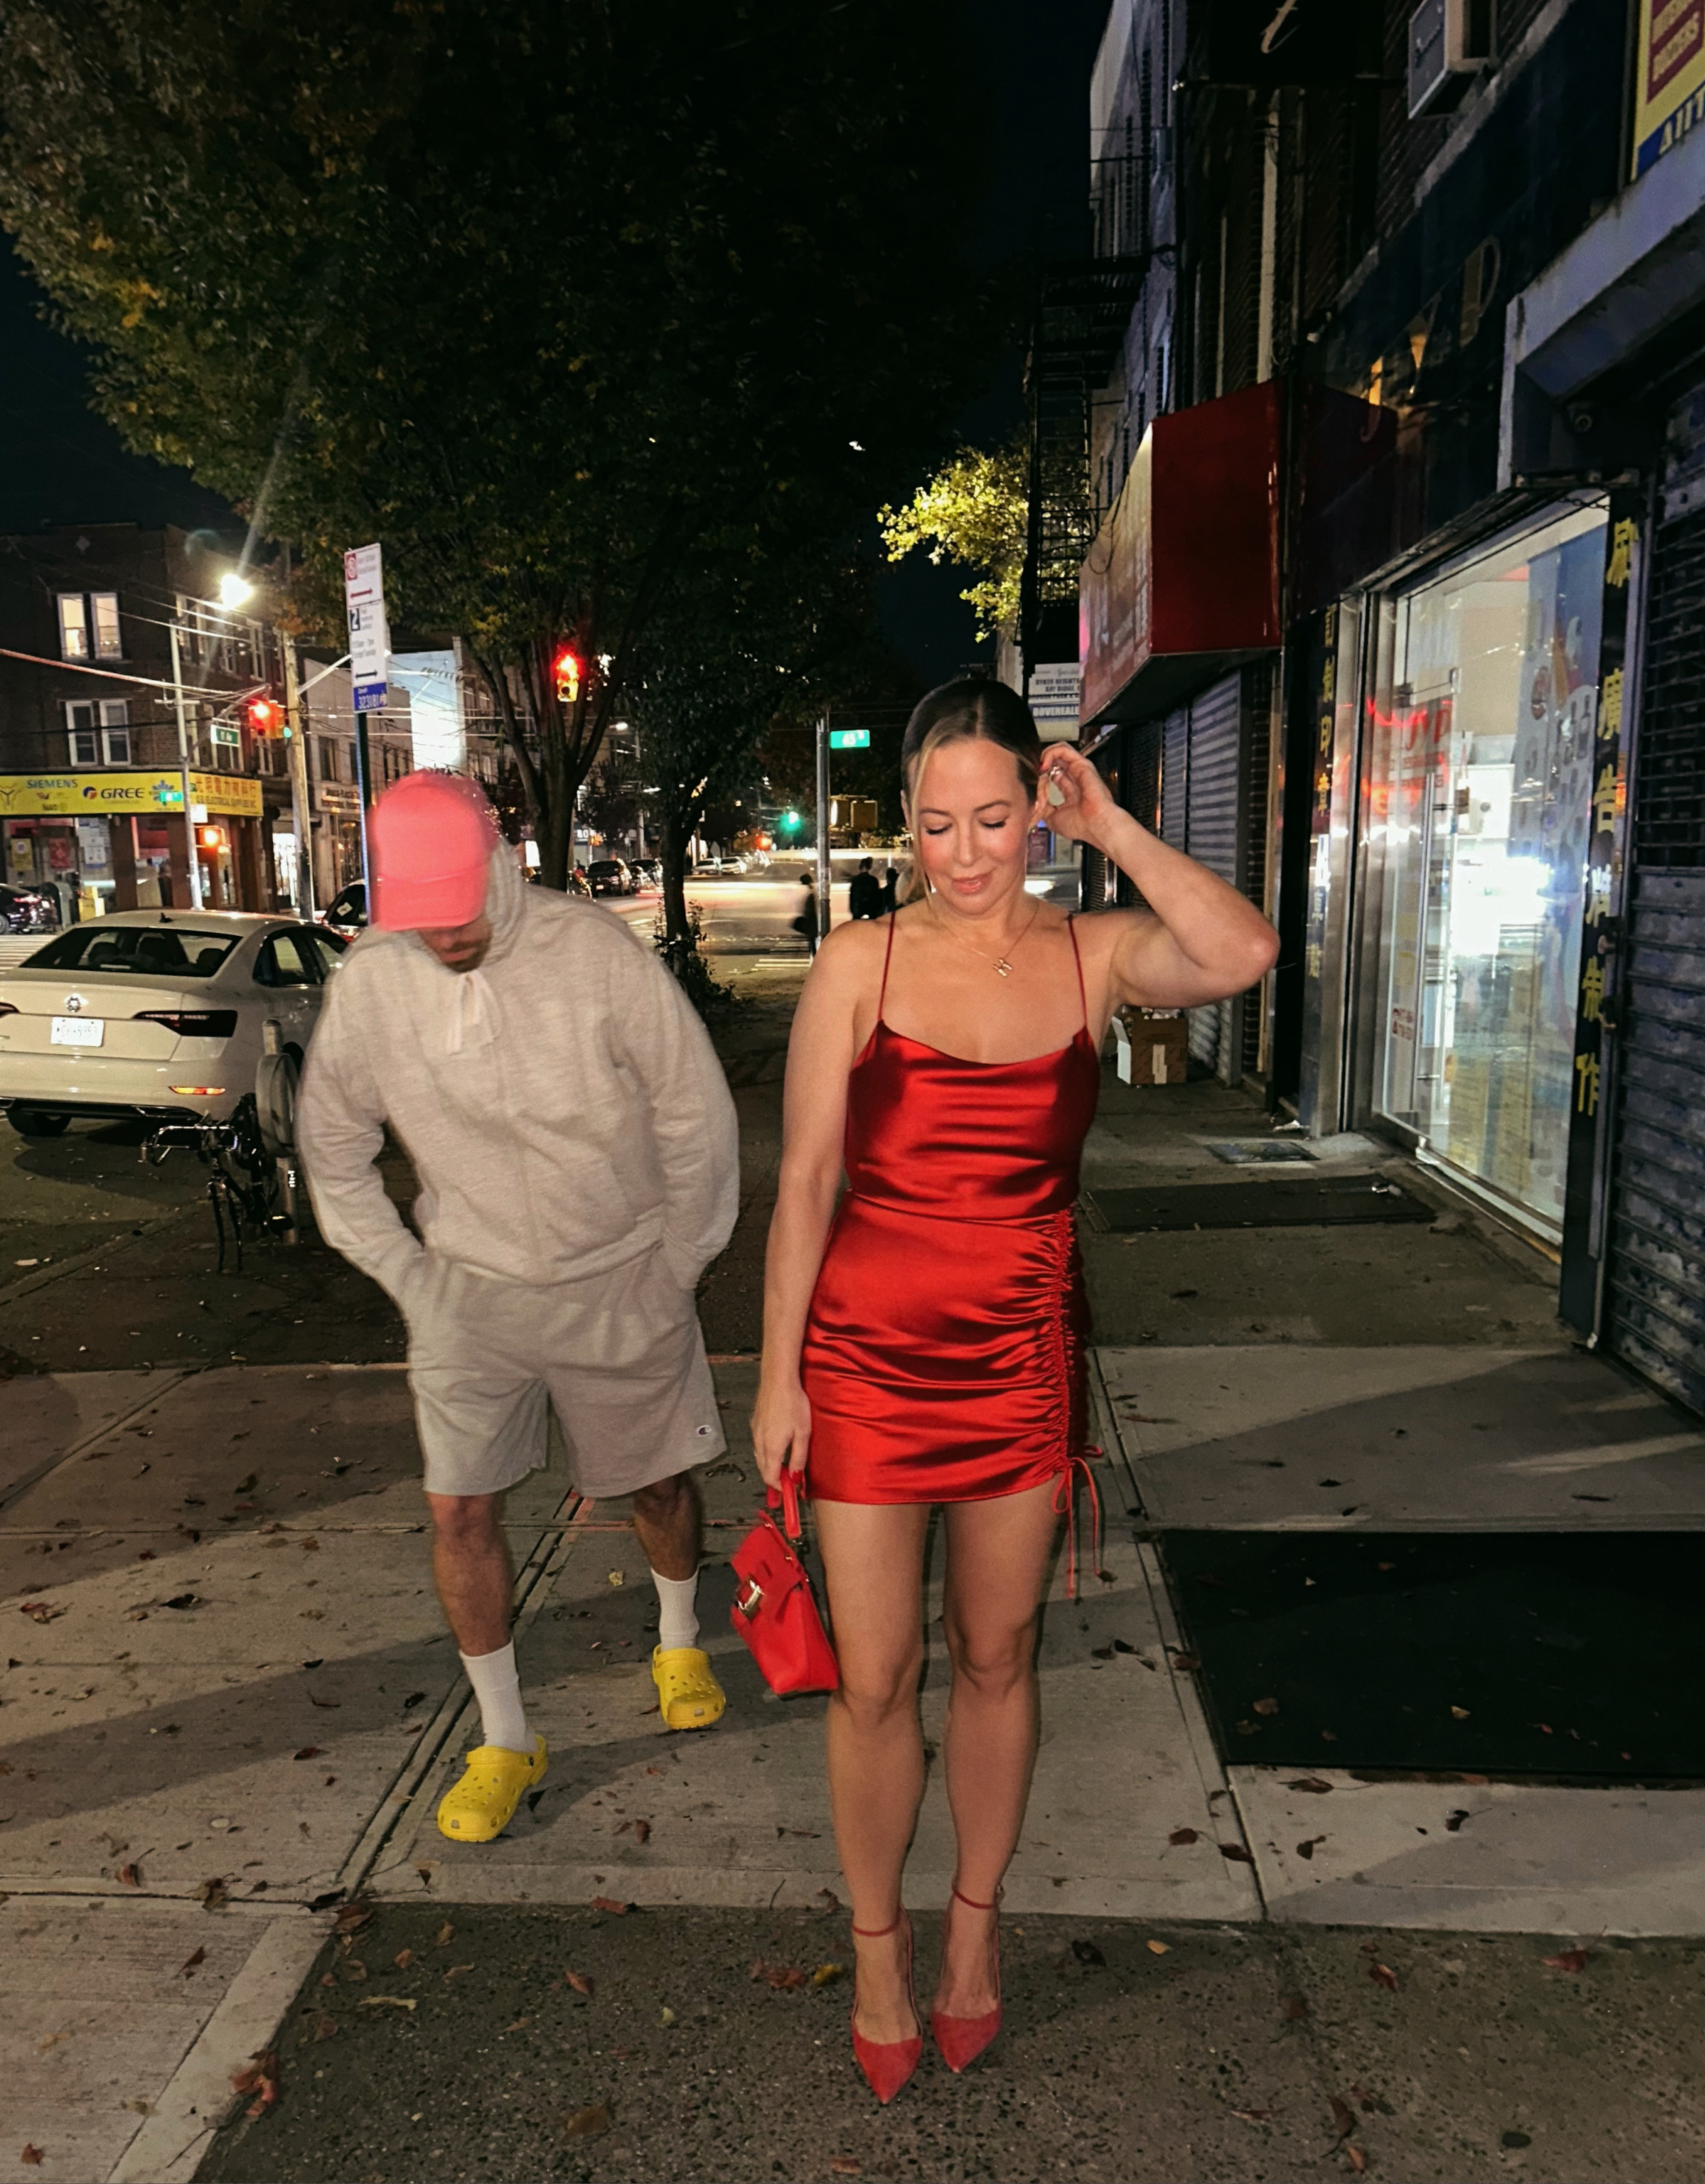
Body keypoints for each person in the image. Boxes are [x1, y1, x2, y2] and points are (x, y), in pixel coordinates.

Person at [751, 678, 1277, 2101]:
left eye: (994, 819)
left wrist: (1114, 826)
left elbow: (1240, 950)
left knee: (996, 1659)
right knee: (874, 1680)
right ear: (904, 822)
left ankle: (972, 1933)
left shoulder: (1091, 954)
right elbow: (803, 1182)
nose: (966, 852)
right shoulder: (856, 962)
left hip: (1018, 1364)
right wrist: (777, 1380)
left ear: (1037, 811)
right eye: (936, 825)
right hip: (863, 1363)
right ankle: (876, 1949)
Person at [298, 772, 739, 1845]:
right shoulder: (372, 981)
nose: (447, 934)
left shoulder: (592, 950)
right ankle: (504, 1735)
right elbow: (333, 1145)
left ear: (499, 862)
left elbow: (693, 1108)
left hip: (618, 1271)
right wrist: (408, 1277)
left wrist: (678, 1262)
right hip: (468, 1287)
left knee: (654, 1481)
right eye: (423, 913)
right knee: (459, 1510)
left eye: (461, 905)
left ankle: (678, 1636)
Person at [791, 870, 820, 957]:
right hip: (812, 919)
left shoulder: (811, 891)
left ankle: (815, 957)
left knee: (812, 941)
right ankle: (815, 956)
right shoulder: (812, 890)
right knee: (812, 941)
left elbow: (810, 908)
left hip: (811, 919)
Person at [847, 856, 883, 921]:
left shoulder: (855, 880)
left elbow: (852, 896)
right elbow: (877, 896)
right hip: (871, 907)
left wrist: (853, 909)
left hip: (858, 907)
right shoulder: (873, 880)